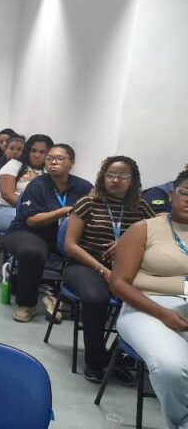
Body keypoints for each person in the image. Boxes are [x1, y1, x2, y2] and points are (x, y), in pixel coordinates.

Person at [110, 166, 188, 429]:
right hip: (145, 307)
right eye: (185, 192)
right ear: (171, 195)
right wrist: (163, 314)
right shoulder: (144, 229)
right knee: (171, 366)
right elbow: (118, 283)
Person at [64, 156, 154, 383]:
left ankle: (120, 357)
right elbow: (70, 245)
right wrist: (103, 270)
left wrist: (126, 242)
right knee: (96, 299)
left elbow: (155, 238)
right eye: (111, 175)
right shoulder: (88, 203)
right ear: (102, 177)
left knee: (145, 298)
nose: (116, 180)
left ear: (133, 180)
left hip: (127, 267)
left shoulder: (140, 206)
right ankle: (95, 362)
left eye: (124, 176)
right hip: (85, 264)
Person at [1, 144, 92, 323]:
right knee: (33, 252)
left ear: (71, 163)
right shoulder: (38, 184)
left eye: (60, 159)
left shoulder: (83, 187)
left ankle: (64, 300)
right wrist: (63, 211)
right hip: (29, 232)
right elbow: (32, 220)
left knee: (89, 250)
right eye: (49, 159)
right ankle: (26, 304)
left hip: (64, 235)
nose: (53, 162)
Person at [0, 134, 53, 234]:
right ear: (27, 151)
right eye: (33, 150)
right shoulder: (14, 165)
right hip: (7, 210)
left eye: (42, 152)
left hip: (38, 213)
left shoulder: (49, 171)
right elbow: (7, 194)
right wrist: (34, 210)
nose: (37, 155)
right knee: (38, 226)